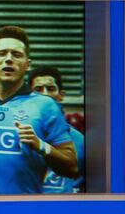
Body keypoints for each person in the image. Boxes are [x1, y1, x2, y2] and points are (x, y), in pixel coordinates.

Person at [0, 26, 76, 195]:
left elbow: (72, 167)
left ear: (27, 65)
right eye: (2, 53)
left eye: (16, 55)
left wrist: (42, 146)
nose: (9, 59)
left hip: (23, 212)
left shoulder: (45, 106)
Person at [28, 64, 84, 193]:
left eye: (51, 88)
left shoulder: (80, 141)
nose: (45, 95)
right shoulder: (20, 134)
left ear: (61, 95)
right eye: (38, 89)